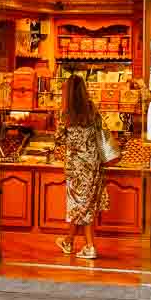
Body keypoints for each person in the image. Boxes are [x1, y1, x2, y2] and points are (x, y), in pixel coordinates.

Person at [54, 74, 109, 260]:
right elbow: (102, 132)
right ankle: (69, 241)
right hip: (94, 164)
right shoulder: (93, 110)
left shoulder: (66, 114)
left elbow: (58, 139)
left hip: (76, 167)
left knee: (79, 206)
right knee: (85, 206)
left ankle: (90, 246)